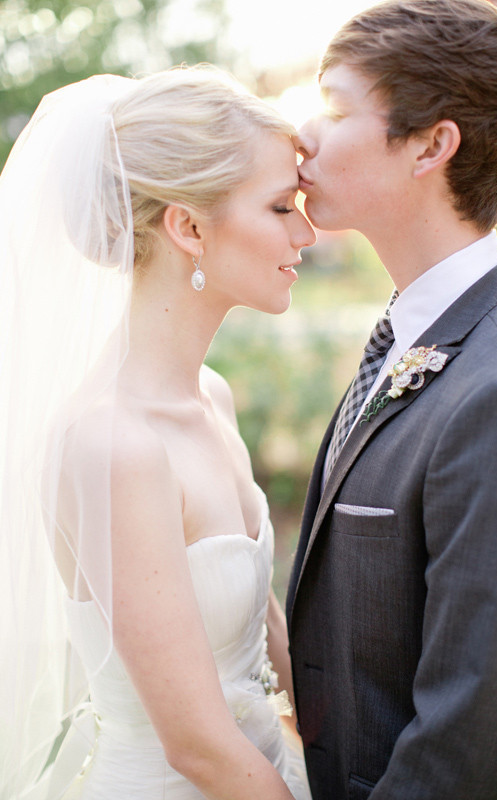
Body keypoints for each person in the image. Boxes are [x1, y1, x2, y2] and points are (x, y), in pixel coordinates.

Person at [0, 65, 316, 799]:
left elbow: (263, 629)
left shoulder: (213, 396)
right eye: (280, 206)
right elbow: (198, 747)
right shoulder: (112, 445)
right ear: (188, 227)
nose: (306, 231)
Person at [287, 1, 497, 798]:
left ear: (431, 145)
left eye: (336, 107)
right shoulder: (415, 332)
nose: (302, 135)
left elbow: (469, 736)